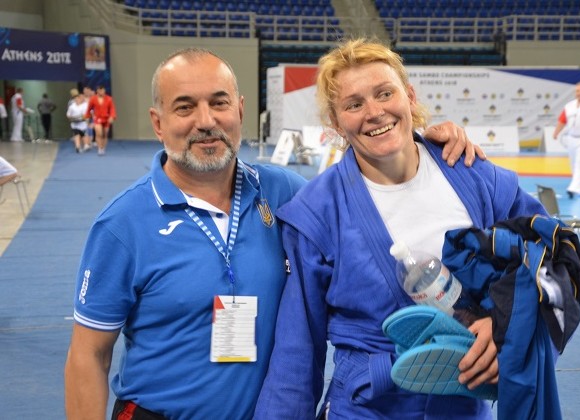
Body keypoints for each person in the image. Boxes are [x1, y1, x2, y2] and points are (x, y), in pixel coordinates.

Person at [64, 47, 484, 420]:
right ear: (158, 123)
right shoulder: (122, 225)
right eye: (185, 107)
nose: (206, 121)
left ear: (240, 110)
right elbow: (89, 355)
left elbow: (373, 186)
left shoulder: (286, 193)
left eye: (219, 103)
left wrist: (429, 148)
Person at [254, 38, 548, 419]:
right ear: (336, 123)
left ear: (409, 96)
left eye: (385, 93)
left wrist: (505, 322)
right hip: (366, 408)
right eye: (354, 104)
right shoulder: (317, 211)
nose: (374, 112)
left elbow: (547, 257)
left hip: (463, 403)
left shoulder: (474, 177)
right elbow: (297, 350)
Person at [85, 84, 116, 155]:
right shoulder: (93, 98)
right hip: (97, 118)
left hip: (106, 118)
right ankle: (99, 148)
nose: (101, 92)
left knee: (105, 134)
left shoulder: (109, 99)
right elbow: (89, 108)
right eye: (99, 90)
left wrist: (112, 117)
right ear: (97, 91)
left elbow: (112, 109)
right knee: (99, 133)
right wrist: (87, 117)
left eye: (102, 90)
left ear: (104, 90)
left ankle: (103, 148)